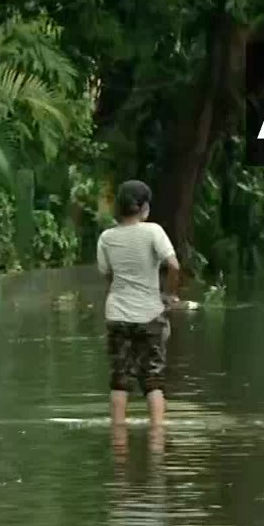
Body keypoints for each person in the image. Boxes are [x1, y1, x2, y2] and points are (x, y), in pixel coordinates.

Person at [96, 180, 181, 427]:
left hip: (117, 315)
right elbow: (174, 266)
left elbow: (107, 274)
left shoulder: (106, 238)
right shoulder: (153, 231)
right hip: (150, 315)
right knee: (153, 380)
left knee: (119, 380)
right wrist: (170, 295)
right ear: (143, 207)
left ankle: (118, 440)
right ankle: (157, 439)